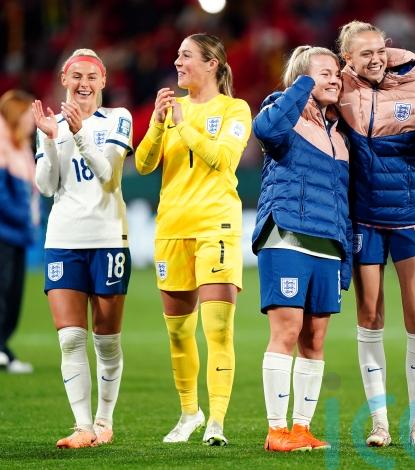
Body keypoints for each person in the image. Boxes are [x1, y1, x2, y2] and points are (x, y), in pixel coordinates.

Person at [336, 21, 415, 447]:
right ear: (347, 59)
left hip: (412, 216)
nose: (375, 58)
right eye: (365, 53)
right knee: (370, 318)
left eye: (380, 50)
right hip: (365, 218)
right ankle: (380, 423)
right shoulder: (340, 91)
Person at [135, 33, 251, 446]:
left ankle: (216, 420)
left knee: (217, 328)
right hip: (171, 229)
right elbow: (144, 164)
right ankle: (189, 413)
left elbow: (224, 159)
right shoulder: (171, 110)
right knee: (179, 332)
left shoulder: (235, 109)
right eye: (178, 55)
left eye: (186, 56)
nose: (177, 62)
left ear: (212, 63)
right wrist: (157, 123)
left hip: (216, 226)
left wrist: (183, 126)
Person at [252, 45, 351, 452]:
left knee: (315, 339)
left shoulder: (340, 136)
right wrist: (302, 84)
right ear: (301, 80)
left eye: (336, 74)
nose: (334, 79)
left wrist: (346, 259)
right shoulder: (281, 112)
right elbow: (266, 130)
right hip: (287, 235)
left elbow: (344, 202)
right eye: (323, 73)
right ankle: (276, 430)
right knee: (287, 331)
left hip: (328, 244)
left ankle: (301, 428)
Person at [32, 48, 133, 448]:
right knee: (70, 339)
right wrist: (49, 139)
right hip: (63, 239)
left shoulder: (118, 118)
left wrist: (78, 134)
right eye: (77, 76)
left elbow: (109, 176)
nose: (84, 83)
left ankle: (104, 421)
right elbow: (46, 186)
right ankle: (82, 426)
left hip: (108, 239)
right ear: (64, 80)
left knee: (106, 340)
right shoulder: (51, 124)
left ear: (103, 80)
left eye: (92, 76)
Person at [0, 90, 37, 374]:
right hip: (4, 233)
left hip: (17, 235)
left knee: (13, 296)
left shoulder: (20, 147)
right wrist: (25, 219)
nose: (32, 123)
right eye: (28, 116)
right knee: (3, 293)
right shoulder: (3, 147)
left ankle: (3, 347)